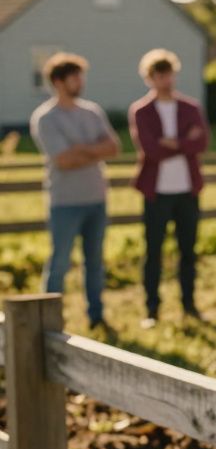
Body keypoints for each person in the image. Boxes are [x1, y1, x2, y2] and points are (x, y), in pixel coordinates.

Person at [29, 53, 120, 331]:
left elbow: (114, 147)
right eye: (74, 77)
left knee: (95, 262)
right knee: (59, 262)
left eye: (81, 76)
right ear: (58, 81)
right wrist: (95, 151)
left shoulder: (92, 111)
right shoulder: (46, 118)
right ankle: (48, 321)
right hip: (65, 202)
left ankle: (96, 315)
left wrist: (80, 150)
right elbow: (63, 160)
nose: (80, 82)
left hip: (96, 198)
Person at [128, 49, 210, 328]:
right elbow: (150, 149)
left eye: (169, 74)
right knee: (154, 251)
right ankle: (152, 308)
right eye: (160, 75)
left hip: (187, 190)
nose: (166, 80)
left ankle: (189, 304)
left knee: (188, 250)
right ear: (150, 78)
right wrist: (183, 143)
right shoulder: (142, 111)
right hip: (157, 191)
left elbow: (202, 143)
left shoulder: (190, 108)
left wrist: (171, 143)